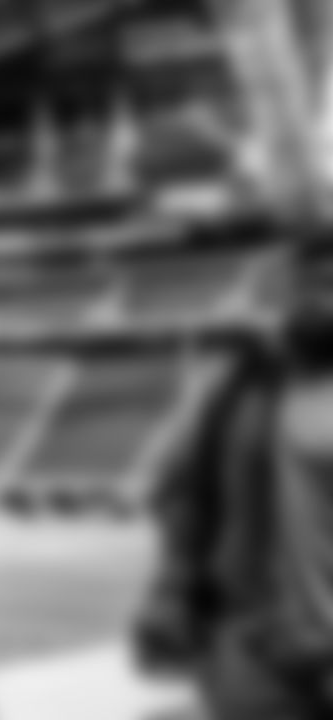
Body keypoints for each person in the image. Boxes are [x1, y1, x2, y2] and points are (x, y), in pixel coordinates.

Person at [136, 275, 333, 719]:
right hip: (252, 649)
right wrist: (173, 592)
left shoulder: (239, 389)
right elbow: (180, 495)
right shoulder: (237, 390)